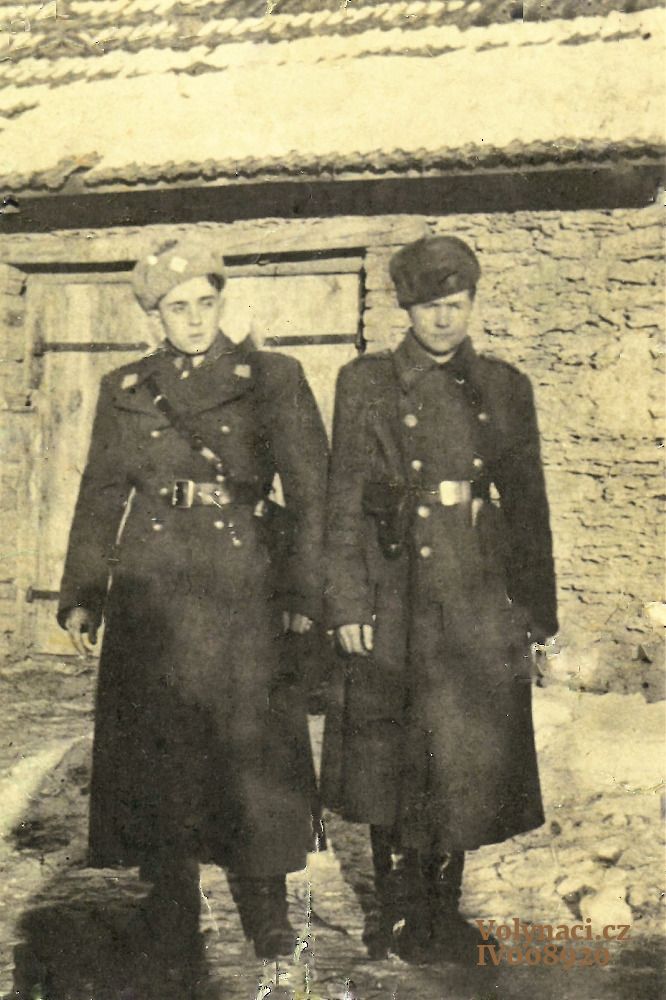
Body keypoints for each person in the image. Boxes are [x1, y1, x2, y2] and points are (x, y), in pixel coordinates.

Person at [58, 238, 329, 981]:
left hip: (245, 580)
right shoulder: (127, 387)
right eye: (178, 307)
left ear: (220, 302)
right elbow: (101, 492)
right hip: (152, 584)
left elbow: (311, 495)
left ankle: (267, 906)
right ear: (155, 314)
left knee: (253, 744)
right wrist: (83, 593)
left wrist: (306, 594)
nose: (195, 318)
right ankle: (170, 894)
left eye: (206, 303)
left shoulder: (271, 377)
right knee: (158, 742)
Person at [321, 234, 557, 964]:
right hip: (392, 586)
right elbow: (342, 498)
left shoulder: (504, 387)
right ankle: (397, 910)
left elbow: (528, 506)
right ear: (407, 308)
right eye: (430, 306)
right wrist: (346, 602)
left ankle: (441, 909)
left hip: (472, 589)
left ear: (472, 302)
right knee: (389, 750)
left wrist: (535, 611)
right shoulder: (366, 382)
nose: (444, 319)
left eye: (456, 303)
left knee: (459, 755)